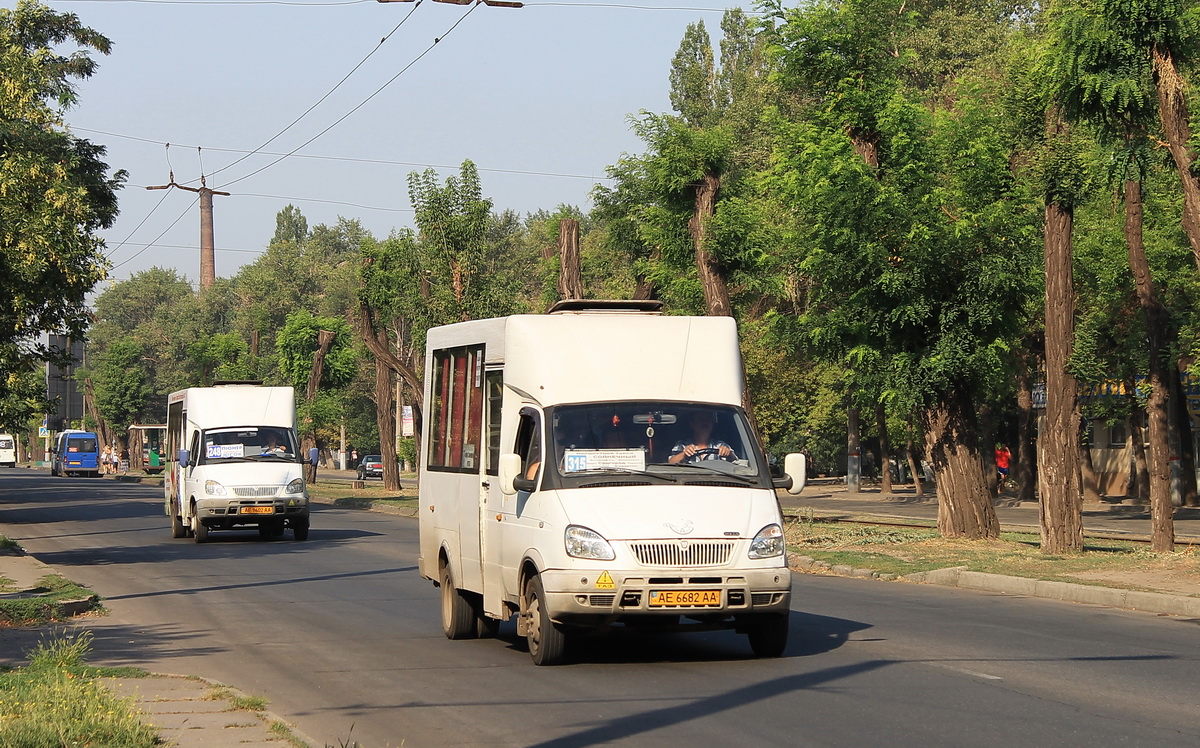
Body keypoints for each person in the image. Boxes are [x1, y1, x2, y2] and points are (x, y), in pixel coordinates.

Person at [668, 411, 737, 464]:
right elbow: (670, 464)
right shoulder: (682, 445)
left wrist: (728, 453)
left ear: (712, 424)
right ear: (692, 424)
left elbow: (737, 463)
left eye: (708, 420)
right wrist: (684, 454)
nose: (705, 422)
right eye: (701, 419)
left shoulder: (721, 445)